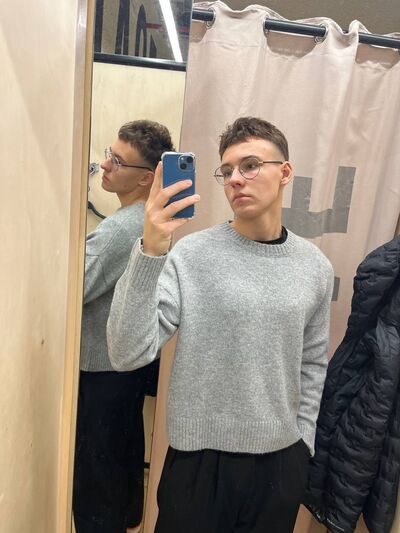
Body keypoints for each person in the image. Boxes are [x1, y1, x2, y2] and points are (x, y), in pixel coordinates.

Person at [107, 117, 334, 532]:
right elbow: (126, 353)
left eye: (250, 165)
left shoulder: (314, 267)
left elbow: (314, 363)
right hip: (197, 465)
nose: (235, 179)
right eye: (227, 170)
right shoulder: (191, 255)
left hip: (279, 465)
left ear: (284, 172)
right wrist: (150, 249)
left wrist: (302, 444)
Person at [73, 120, 175, 533]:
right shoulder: (148, 222)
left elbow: (71, 290)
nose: (104, 165)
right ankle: (128, 519)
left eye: (117, 161)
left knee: (96, 480)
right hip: (126, 368)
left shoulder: (122, 229)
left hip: (102, 371)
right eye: (109, 154)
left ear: (146, 178)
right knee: (120, 458)